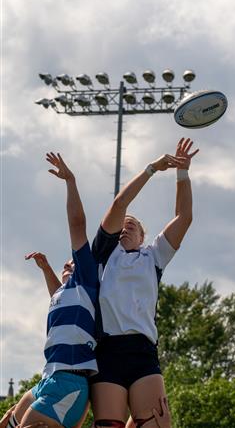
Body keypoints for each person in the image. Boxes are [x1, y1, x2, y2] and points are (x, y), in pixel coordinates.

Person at [90, 138, 198, 428]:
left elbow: (184, 217)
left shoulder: (153, 257)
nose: (125, 226)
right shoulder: (102, 255)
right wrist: (152, 168)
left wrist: (182, 173)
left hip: (142, 353)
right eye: (122, 224)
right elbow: (120, 202)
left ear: (142, 237)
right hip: (107, 351)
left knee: (156, 425)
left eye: (133, 225)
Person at [12, 153, 100, 428]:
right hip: (47, 379)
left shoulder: (86, 282)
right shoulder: (66, 294)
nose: (68, 261)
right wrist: (46, 268)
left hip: (68, 381)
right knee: (7, 422)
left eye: (71, 261)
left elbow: (77, 224)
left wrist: (71, 182)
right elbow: (56, 296)